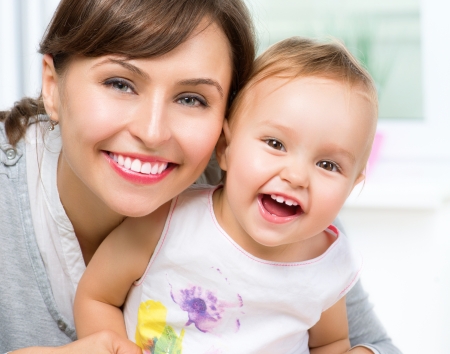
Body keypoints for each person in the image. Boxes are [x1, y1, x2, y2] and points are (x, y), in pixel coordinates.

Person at [0, 0, 400, 353]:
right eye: (120, 84)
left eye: (192, 98)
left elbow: (369, 345)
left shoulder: (281, 208)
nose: (152, 132)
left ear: (227, 122)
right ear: (52, 87)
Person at [74, 37, 376, 353]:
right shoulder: (167, 222)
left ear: (353, 185)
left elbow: (331, 342)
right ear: (225, 148)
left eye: (328, 164)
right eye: (275, 144)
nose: (296, 176)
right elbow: (97, 296)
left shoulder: (327, 264)